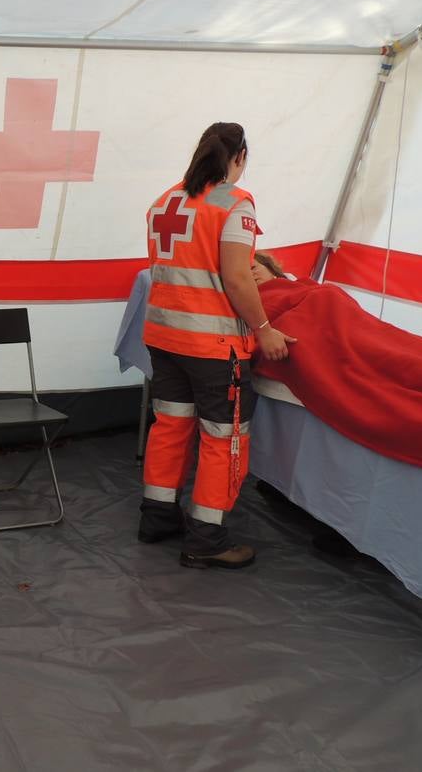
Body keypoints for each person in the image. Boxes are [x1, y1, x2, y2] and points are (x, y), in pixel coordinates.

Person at [139, 121, 295, 569]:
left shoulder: (165, 200)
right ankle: (206, 539)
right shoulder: (235, 205)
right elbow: (236, 276)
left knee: (170, 426)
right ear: (239, 156)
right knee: (223, 439)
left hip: (164, 339)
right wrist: (264, 327)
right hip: (213, 346)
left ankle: (157, 517)